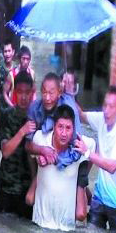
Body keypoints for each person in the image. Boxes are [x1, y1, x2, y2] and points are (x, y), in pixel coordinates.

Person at [25, 72, 89, 220]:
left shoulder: (68, 107)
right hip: (45, 145)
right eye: (44, 92)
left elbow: (78, 147)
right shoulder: (35, 108)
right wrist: (42, 151)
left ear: (59, 93)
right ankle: (36, 178)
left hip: (69, 152)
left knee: (80, 214)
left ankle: (82, 188)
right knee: (34, 150)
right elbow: (28, 144)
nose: (47, 98)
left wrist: (54, 159)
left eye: (51, 93)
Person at [75, 85, 116, 233]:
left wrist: (87, 153)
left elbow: (113, 167)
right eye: (105, 105)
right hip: (100, 196)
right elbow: (80, 115)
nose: (106, 110)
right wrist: (69, 93)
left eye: (111, 107)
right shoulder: (101, 119)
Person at [32, 105, 95, 231]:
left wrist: (81, 178)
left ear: (74, 129)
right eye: (60, 127)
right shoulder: (40, 139)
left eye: (68, 128)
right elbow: (31, 155)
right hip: (41, 224)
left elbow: (92, 149)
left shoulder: (81, 147)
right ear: (54, 127)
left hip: (67, 227)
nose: (64, 133)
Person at [0, 71, 36, 219]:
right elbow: (5, 151)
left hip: (27, 190)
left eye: (27, 92)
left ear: (32, 93)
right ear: (14, 93)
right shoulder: (6, 115)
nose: (23, 97)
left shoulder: (37, 117)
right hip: (6, 186)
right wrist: (22, 132)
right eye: (20, 92)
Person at [0, 40, 15, 126]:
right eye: (5, 51)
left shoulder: (17, 69)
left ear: (13, 52)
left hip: (14, 108)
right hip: (2, 109)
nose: (7, 54)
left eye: (9, 51)